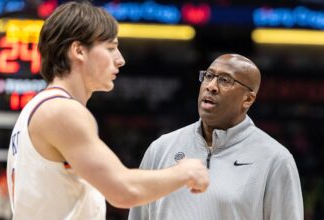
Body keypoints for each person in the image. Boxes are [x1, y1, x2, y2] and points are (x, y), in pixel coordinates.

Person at [6, 1, 209, 219]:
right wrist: (185, 172)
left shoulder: (40, 108)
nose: (120, 60)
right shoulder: (61, 111)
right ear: (79, 51)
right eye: (111, 48)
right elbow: (123, 190)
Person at [128, 54, 304, 220]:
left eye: (225, 80)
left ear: (248, 99)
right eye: (208, 76)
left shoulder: (275, 159)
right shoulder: (160, 148)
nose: (211, 86)